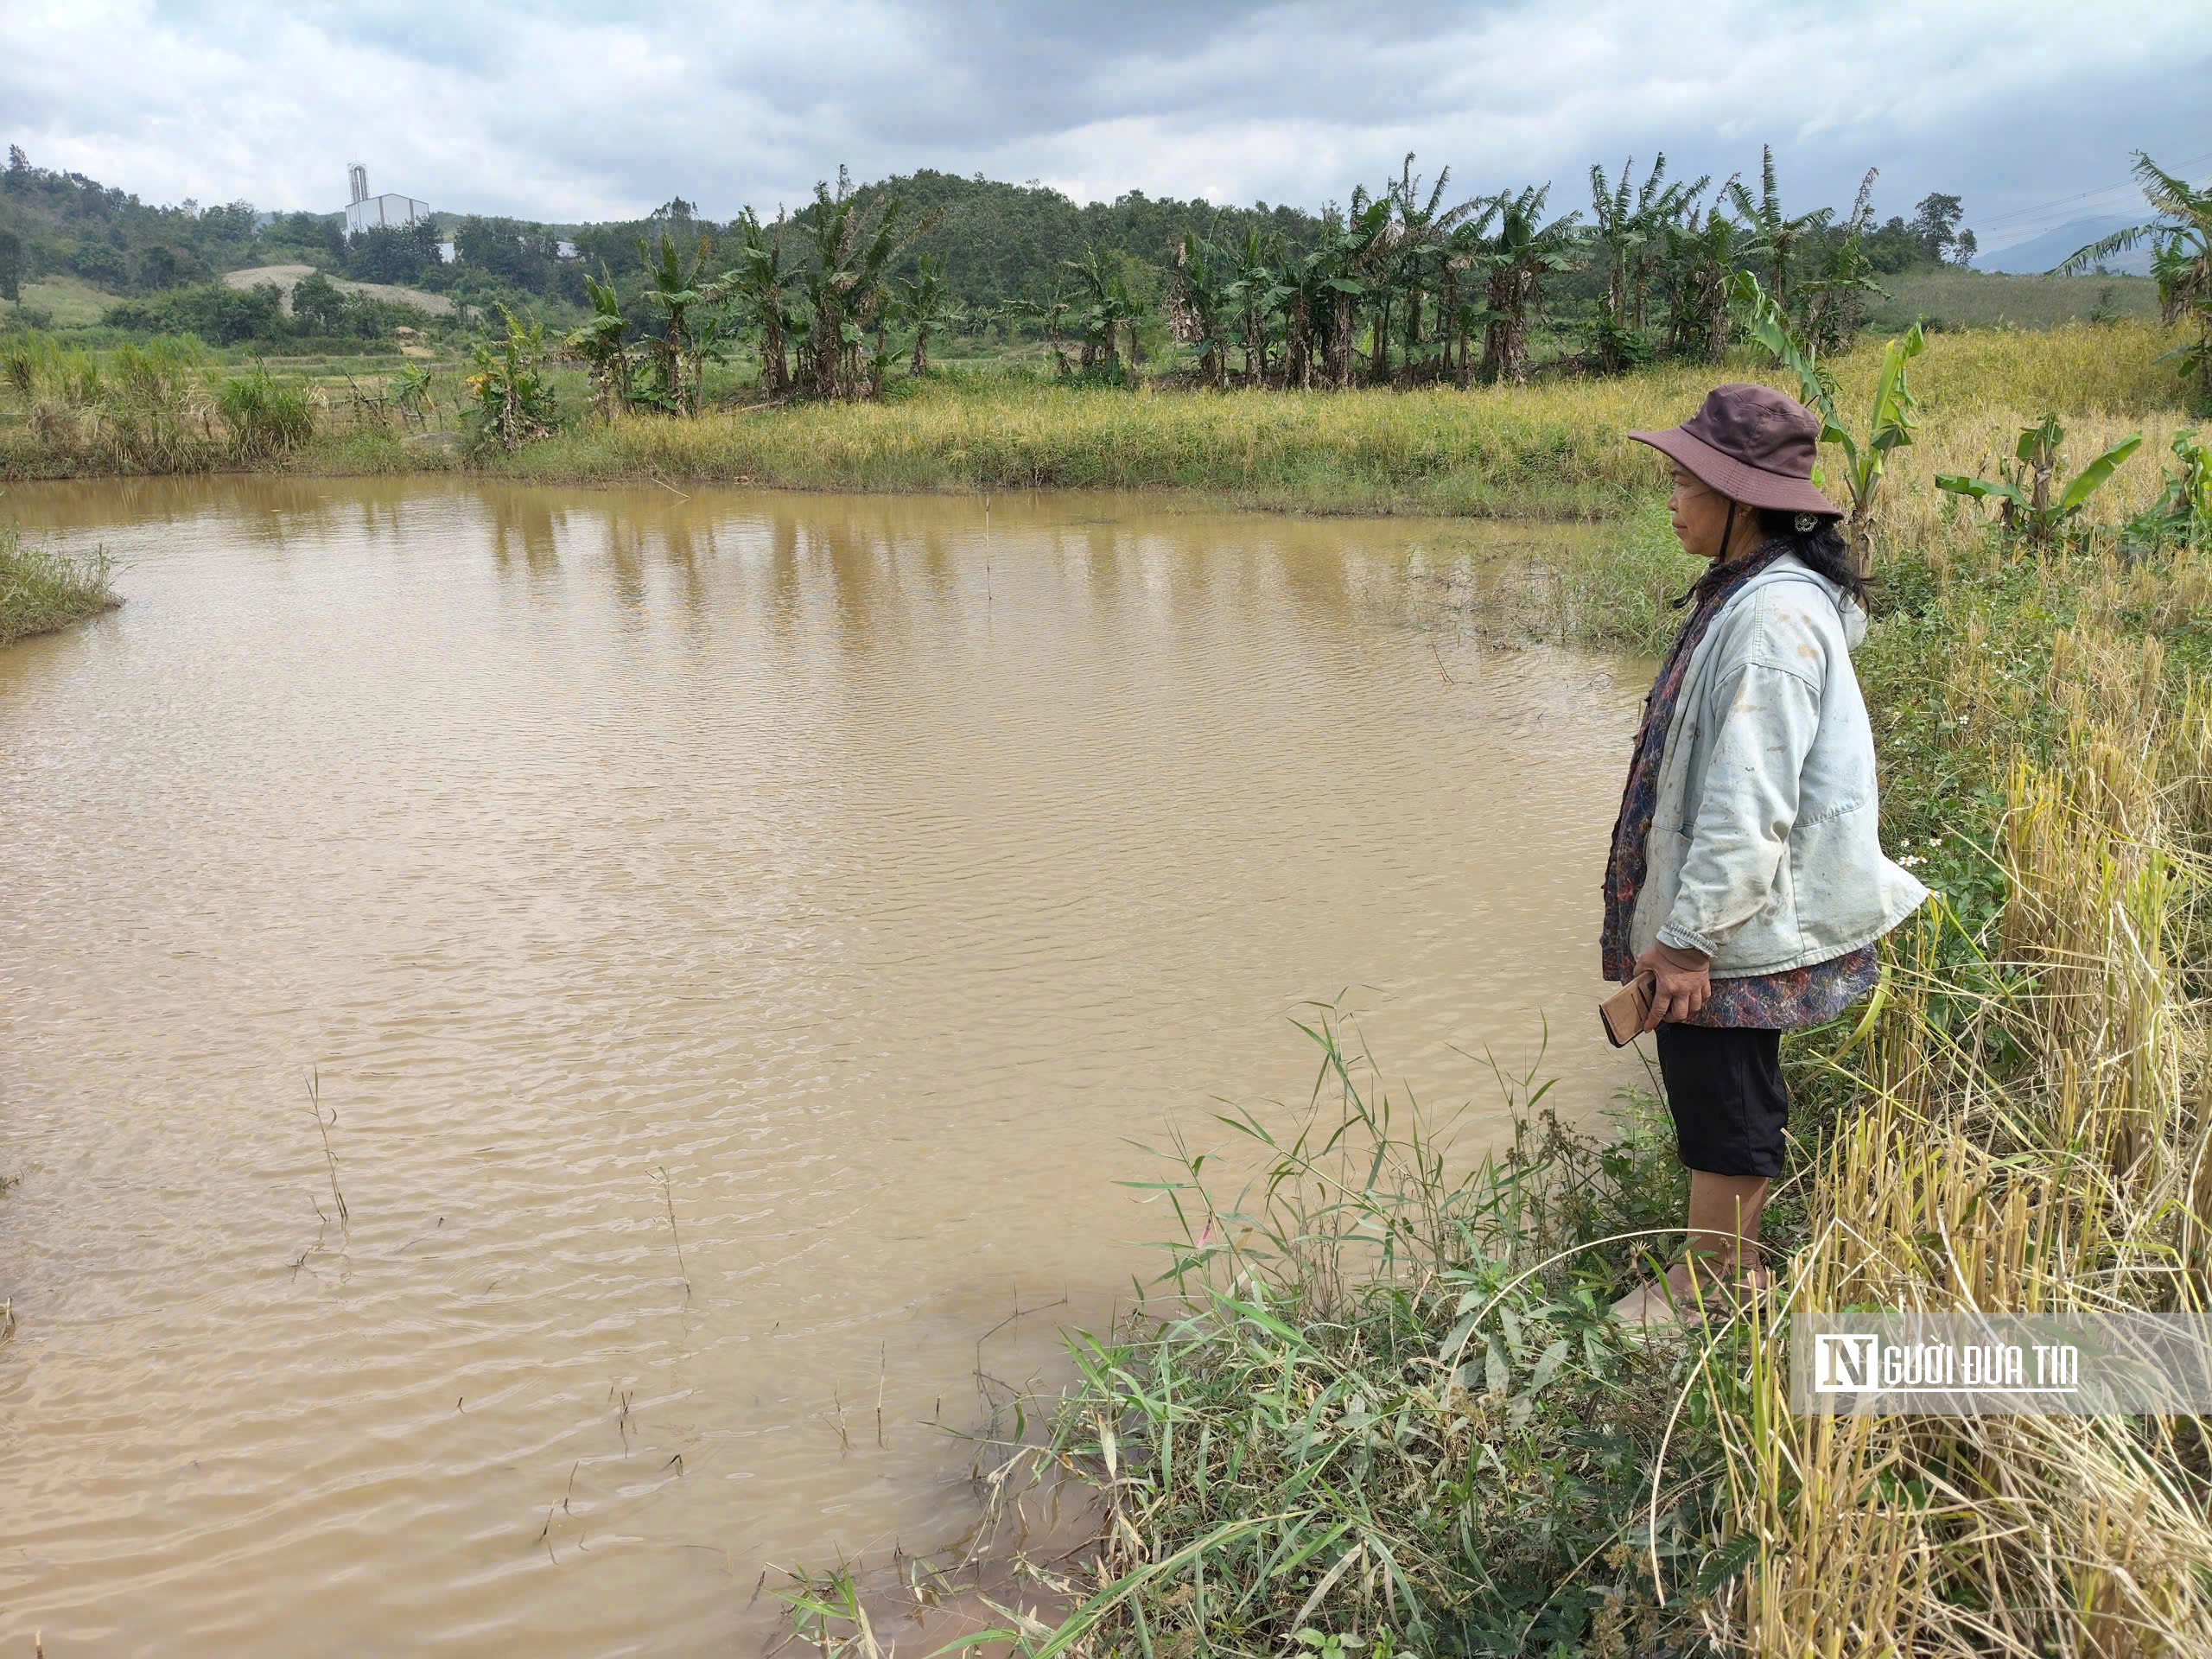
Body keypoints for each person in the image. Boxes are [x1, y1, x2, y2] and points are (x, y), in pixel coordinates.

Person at [1603, 383, 1928, 1325]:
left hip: (1740, 912)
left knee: (1730, 1095)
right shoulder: (1752, 595)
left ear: (1740, 497)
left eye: (1681, 482)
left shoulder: (1769, 623)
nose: (1670, 500)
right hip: (1732, 906)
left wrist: (1692, 939)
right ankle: (1712, 1264)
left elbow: (1750, 802)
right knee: (1712, 1087)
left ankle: (1723, 1283)